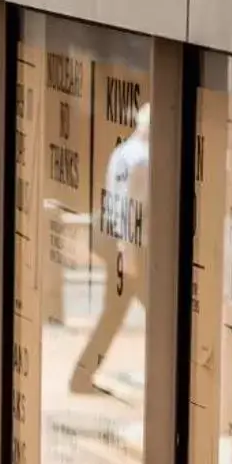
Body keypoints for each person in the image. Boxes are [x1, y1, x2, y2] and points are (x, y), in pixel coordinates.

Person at [71, 103, 151, 395]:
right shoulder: (142, 160)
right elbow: (131, 209)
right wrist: (128, 254)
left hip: (117, 242)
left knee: (114, 313)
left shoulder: (124, 151)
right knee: (159, 317)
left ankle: (81, 376)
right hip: (128, 246)